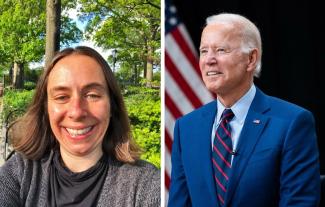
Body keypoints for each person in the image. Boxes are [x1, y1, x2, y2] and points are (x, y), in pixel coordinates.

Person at [168, 13, 320, 207]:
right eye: (204, 50)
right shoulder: (186, 127)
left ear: (251, 59)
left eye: (221, 50)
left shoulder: (292, 123)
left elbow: (300, 203)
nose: (209, 60)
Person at [0, 46, 160, 206]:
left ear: (112, 106)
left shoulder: (146, 183)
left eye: (92, 95)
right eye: (62, 97)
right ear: (46, 109)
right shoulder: (19, 174)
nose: (77, 112)